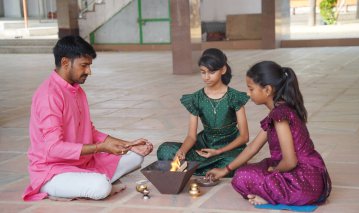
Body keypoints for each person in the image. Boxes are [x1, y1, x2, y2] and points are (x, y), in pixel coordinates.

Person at [23, 35, 153, 201]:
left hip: (83, 162)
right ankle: (76, 184)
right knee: (100, 187)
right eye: (84, 65)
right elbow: (53, 148)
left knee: (136, 156)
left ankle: (87, 179)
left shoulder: (76, 90)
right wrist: (101, 148)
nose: (89, 71)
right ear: (65, 62)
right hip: (52, 171)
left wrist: (128, 144)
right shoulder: (49, 95)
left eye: (89, 66)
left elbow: (88, 130)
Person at [206, 61, 331, 205]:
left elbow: (290, 162)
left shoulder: (280, 116)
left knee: (241, 177)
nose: (248, 93)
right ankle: (270, 190)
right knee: (245, 171)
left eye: (251, 89)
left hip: (305, 179)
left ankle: (270, 197)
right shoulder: (278, 112)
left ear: (267, 90)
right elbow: (253, 147)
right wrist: (225, 170)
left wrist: (274, 171)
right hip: (300, 171)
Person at [157, 48, 250, 176]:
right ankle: (206, 168)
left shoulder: (234, 97)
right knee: (165, 150)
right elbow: (191, 136)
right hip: (203, 146)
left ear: (223, 70)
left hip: (230, 148)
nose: (206, 77)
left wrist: (218, 151)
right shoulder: (196, 98)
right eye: (203, 72)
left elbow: (244, 137)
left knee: (235, 161)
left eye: (211, 72)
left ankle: (194, 168)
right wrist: (182, 152)